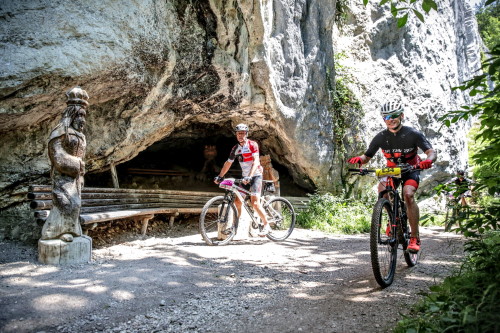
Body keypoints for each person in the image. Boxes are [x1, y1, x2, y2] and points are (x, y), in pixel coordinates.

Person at [347, 100, 437, 253]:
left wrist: (428, 161)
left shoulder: (413, 133)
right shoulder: (381, 137)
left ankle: (414, 237)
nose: (390, 119)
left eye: (394, 116)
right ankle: (391, 218)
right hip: (391, 170)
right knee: (382, 191)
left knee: (408, 195)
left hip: (411, 168)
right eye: (386, 117)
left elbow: (431, 152)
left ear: (401, 115)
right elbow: (367, 156)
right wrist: (359, 159)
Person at [41, 87, 88, 242]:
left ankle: (72, 232)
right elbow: (57, 154)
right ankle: (53, 233)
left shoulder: (80, 135)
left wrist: (80, 171)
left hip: (75, 178)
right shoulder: (61, 131)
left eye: (84, 115)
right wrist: (76, 164)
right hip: (62, 177)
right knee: (67, 203)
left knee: (75, 204)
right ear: (71, 115)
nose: (82, 119)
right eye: (79, 115)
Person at [214, 123, 271, 236]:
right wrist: (220, 176)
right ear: (236, 135)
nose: (240, 135)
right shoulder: (235, 148)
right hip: (245, 177)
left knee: (255, 203)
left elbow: (256, 162)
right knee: (237, 202)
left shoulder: (252, 144)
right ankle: (235, 226)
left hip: (256, 176)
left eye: (243, 133)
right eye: (238, 133)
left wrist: (250, 176)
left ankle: (266, 225)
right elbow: (228, 163)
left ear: (246, 134)